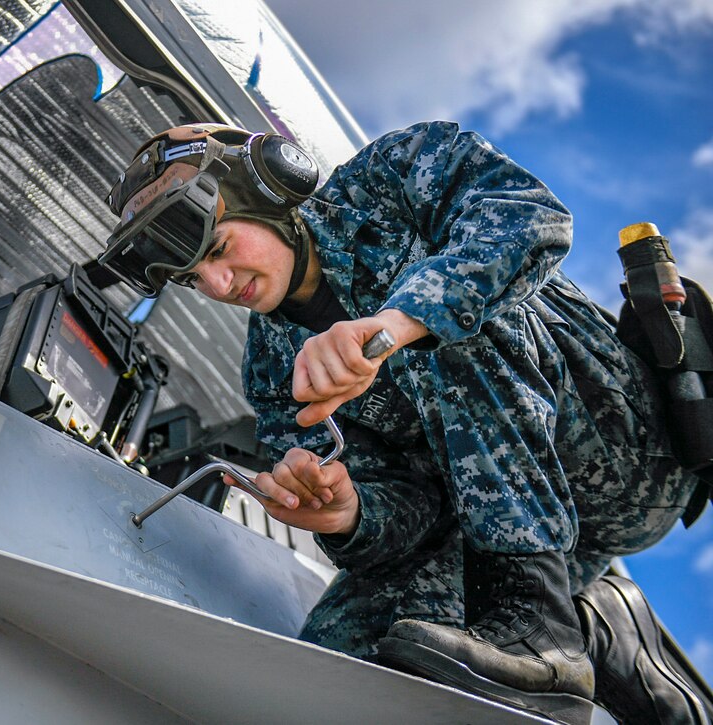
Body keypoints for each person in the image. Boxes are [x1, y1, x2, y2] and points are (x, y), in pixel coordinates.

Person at [100, 121, 709, 724]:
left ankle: (543, 628)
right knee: (354, 657)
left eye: (218, 249)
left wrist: (393, 327)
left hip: (627, 456)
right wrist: (348, 514)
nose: (215, 284)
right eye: (191, 278)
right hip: (503, 528)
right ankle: (596, 632)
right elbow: (405, 515)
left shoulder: (396, 172)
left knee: (448, 320)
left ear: (271, 187)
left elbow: (533, 222)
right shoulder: (271, 370)